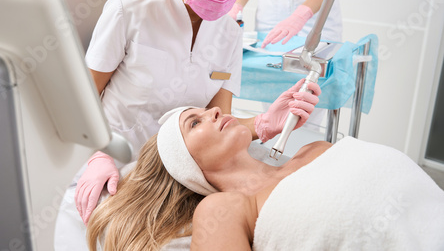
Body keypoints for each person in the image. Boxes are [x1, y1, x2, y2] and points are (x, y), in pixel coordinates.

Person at [74, 0, 321, 225]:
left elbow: (220, 126)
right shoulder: (128, 13)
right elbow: (80, 107)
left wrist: (266, 123)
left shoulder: (230, 34)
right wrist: (98, 155)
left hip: (181, 182)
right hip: (115, 169)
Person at [87, 106, 444, 251]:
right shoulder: (223, 210)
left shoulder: (316, 149)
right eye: (194, 123)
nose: (213, 110)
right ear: (186, 165)